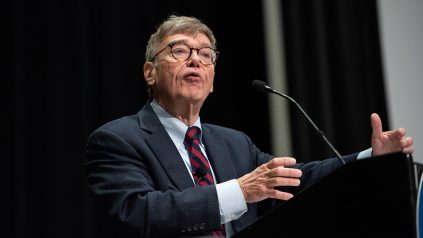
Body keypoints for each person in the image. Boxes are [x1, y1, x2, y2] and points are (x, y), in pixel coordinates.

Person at [84, 15, 414, 238]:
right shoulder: (117, 139)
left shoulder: (234, 143)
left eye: (206, 54)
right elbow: (137, 212)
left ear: (212, 79)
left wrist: (369, 158)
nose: (196, 60)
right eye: (180, 50)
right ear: (149, 72)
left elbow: (297, 181)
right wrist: (240, 191)